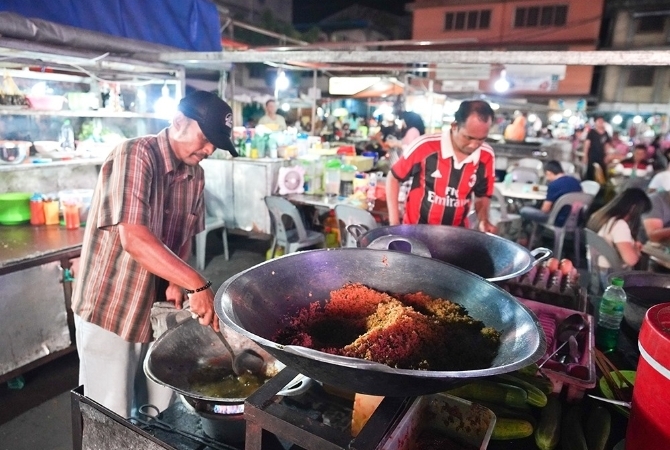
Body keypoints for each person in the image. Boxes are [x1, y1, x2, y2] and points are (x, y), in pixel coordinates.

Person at [71, 90, 238, 418]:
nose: (209, 150)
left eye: (215, 144)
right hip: (111, 305)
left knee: (159, 410)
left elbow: (184, 237)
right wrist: (197, 285)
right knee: (110, 412)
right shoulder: (136, 154)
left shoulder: (195, 175)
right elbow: (134, 237)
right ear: (178, 123)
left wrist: (176, 282)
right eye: (205, 139)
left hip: (157, 306)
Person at [386, 100, 496, 232]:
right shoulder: (425, 146)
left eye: (481, 139)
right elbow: (394, 177)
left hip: (456, 235)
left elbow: (482, 195)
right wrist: (394, 223)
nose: (474, 145)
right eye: (468, 137)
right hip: (415, 232)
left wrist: (483, 220)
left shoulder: (486, 155)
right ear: (454, 126)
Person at [586, 188, 651, 272]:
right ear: (633, 208)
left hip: (595, 270)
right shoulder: (619, 225)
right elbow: (631, 260)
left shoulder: (598, 217)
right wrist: (636, 249)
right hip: (614, 279)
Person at [519, 160, 583, 227]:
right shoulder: (575, 181)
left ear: (548, 173)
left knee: (524, 210)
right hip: (576, 219)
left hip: (557, 219)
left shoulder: (554, 185)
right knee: (534, 206)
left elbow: (545, 209)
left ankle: (525, 234)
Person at [582, 115, 612, 182]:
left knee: (602, 173)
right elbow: (587, 144)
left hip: (602, 156)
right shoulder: (591, 132)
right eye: (599, 121)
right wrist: (585, 156)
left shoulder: (606, 133)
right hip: (592, 155)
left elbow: (607, 145)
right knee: (591, 172)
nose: (601, 123)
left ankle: (602, 189)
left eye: (602, 121)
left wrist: (607, 155)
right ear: (595, 122)